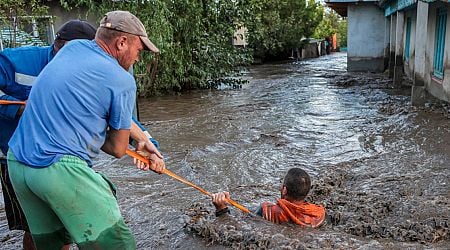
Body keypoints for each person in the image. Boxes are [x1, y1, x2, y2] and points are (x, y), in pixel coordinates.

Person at [7, 10, 164, 249]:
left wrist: (143, 139)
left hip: (17, 163)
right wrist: (138, 147)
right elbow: (117, 149)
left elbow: (81, 109)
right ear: (122, 42)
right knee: (118, 244)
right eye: (139, 50)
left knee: (52, 244)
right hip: (57, 168)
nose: (138, 58)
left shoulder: (70, 49)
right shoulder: (121, 80)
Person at [0, 20, 97, 250]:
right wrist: (20, 108)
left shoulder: (88, 72)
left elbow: (115, 111)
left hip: (62, 158)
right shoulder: (16, 61)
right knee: (34, 227)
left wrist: (145, 140)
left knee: (63, 228)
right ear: (59, 47)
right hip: (15, 157)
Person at [211, 168, 326, 227]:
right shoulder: (319, 213)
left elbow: (238, 225)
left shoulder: (267, 210)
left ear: (284, 190)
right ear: (306, 192)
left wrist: (222, 209)